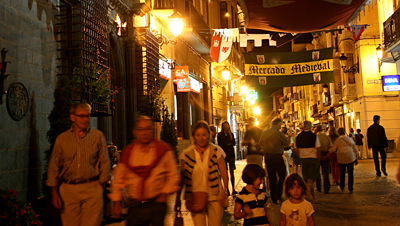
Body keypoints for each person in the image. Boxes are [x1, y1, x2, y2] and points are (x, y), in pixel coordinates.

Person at [46, 103, 110, 226]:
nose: (85, 119)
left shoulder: (97, 136)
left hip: (91, 187)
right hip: (69, 189)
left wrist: (101, 184)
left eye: (87, 116)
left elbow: (105, 161)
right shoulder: (62, 139)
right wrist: (54, 193)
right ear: (72, 117)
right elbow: (54, 166)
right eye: (81, 116)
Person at [108, 116, 180, 226]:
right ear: (135, 132)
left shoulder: (163, 150)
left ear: (152, 130)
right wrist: (117, 200)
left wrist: (163, 195)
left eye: (147, 129)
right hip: (135, 206)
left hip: (156, 204)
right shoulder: (128, 153)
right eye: (141, 129)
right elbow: (118, 178)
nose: (144, 133)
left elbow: (173, 175)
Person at [175, 120, 228, 226]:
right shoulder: (187, 154)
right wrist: (178, 198)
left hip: (215, 196)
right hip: (196, 197)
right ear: (194, 136)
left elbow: (223, 172)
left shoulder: (216, 150)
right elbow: (182, 178)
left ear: (208, 135)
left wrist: (225, 191)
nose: (201, 138)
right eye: (198, 135)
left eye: (204, 134)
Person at [259, 118, 290, 204]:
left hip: (268, 157)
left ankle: (273, 197)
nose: (281, 126)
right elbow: (286, 143)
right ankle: (278, 192)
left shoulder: (265, 132)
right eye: (280, 124)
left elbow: (260, 143)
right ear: (277, 124)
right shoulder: (279, 133)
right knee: (282, 174)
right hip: (277, 156)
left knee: (272, 176)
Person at [294, 121, 320, 204]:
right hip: (312, 159)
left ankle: (314, 197)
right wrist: (318, 159)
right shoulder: (314, 136)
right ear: (310, 126)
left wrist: (301, 155)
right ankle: (304, 197)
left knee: (307, 179)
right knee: (311, 180)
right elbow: (318, 148)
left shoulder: (298, 137)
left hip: (303, 159)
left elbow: (295, 149)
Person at [328, 128, 358, 193]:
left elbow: (333, 149)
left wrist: (328, 151)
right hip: (350, 156)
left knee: (342, 173)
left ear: (338, 133)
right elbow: (354, 147)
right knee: (350, 173)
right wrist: (356, 156)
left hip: (341, 157)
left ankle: (342, 186)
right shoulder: (349, 139)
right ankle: (350, 188)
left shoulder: (337, 140)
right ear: (344, 132)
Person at [217, 121, 237, 195]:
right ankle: (227, 189)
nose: (226, 127)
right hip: (224, 154)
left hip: (231, 154)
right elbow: (221, 144)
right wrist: (228, 144)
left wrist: (229, 143)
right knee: (224, 172)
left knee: (232, 171)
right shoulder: (220, 135)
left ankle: (233, 188)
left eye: (227, 125)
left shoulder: (231, 134)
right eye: (225, 125)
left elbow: (233, 143)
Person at [315, 125, 332, 194]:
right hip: (326, 155)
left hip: (317, 155)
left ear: (316, 130)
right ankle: (326, 188)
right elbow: (330, 147)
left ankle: (319, 187)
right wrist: (326, 156)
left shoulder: (315, 137)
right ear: (322, 129)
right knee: (326, 173)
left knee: (317, 173)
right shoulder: (326, 137)